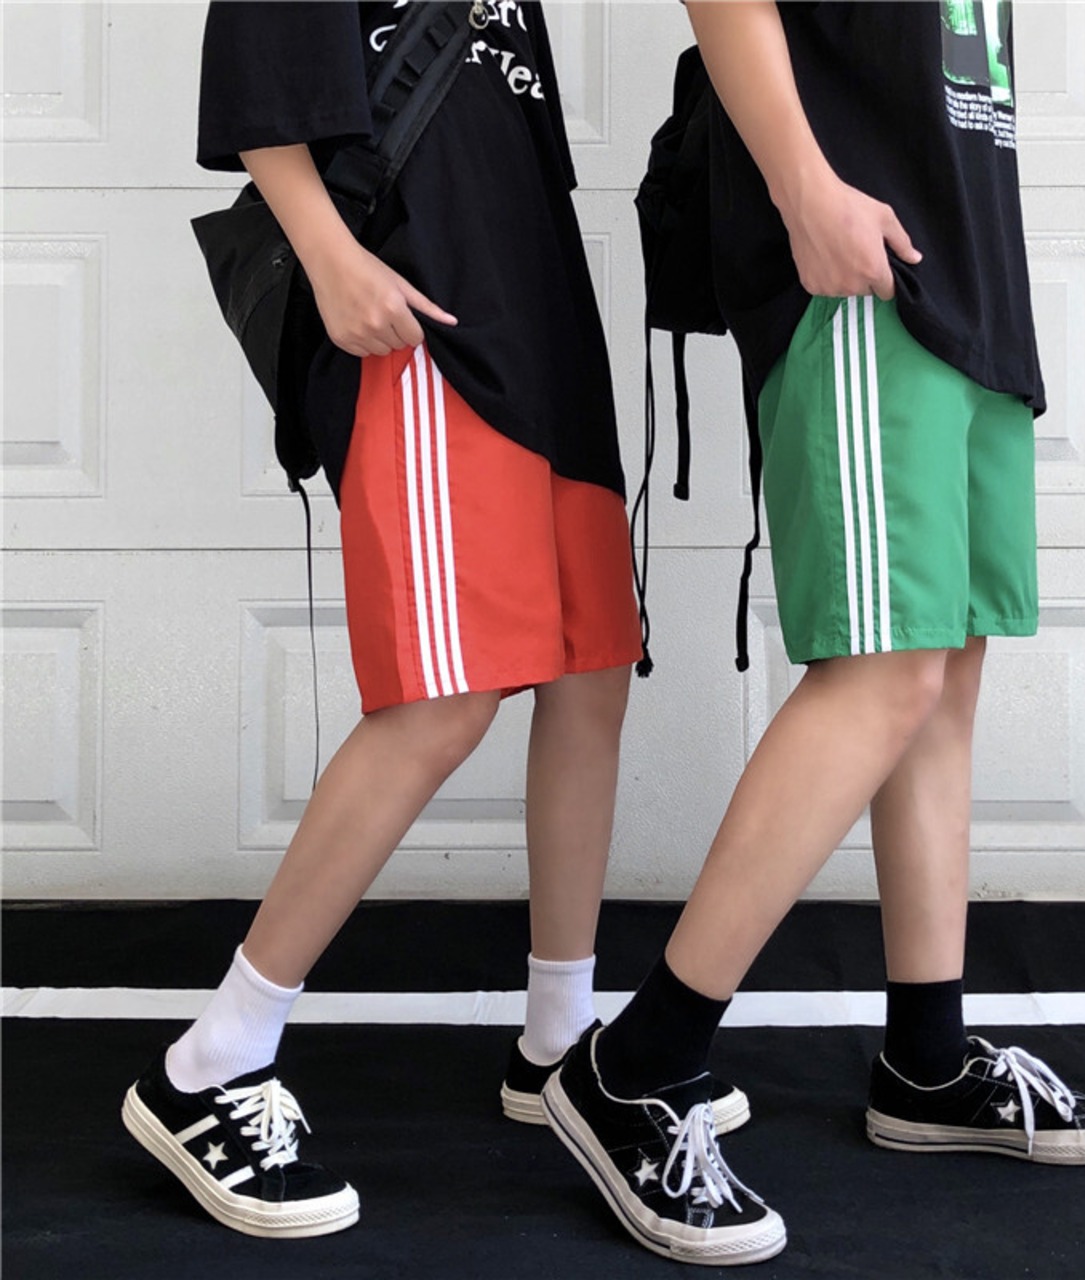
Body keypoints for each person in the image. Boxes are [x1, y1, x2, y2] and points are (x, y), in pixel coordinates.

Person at [120, 0, 743, 1239]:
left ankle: (557, 1036)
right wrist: (330, 256)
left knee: (589, 669)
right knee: (440, 697)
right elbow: (258, 70)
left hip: (537, 324)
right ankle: (211, 1059)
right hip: (420, 320)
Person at [542, 1, 1085, 1265]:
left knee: (942, 668)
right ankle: (632, 1064)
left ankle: (926, 1060)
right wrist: (802, 184)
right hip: (862, 269)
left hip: (965, 274)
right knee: (882, 669)